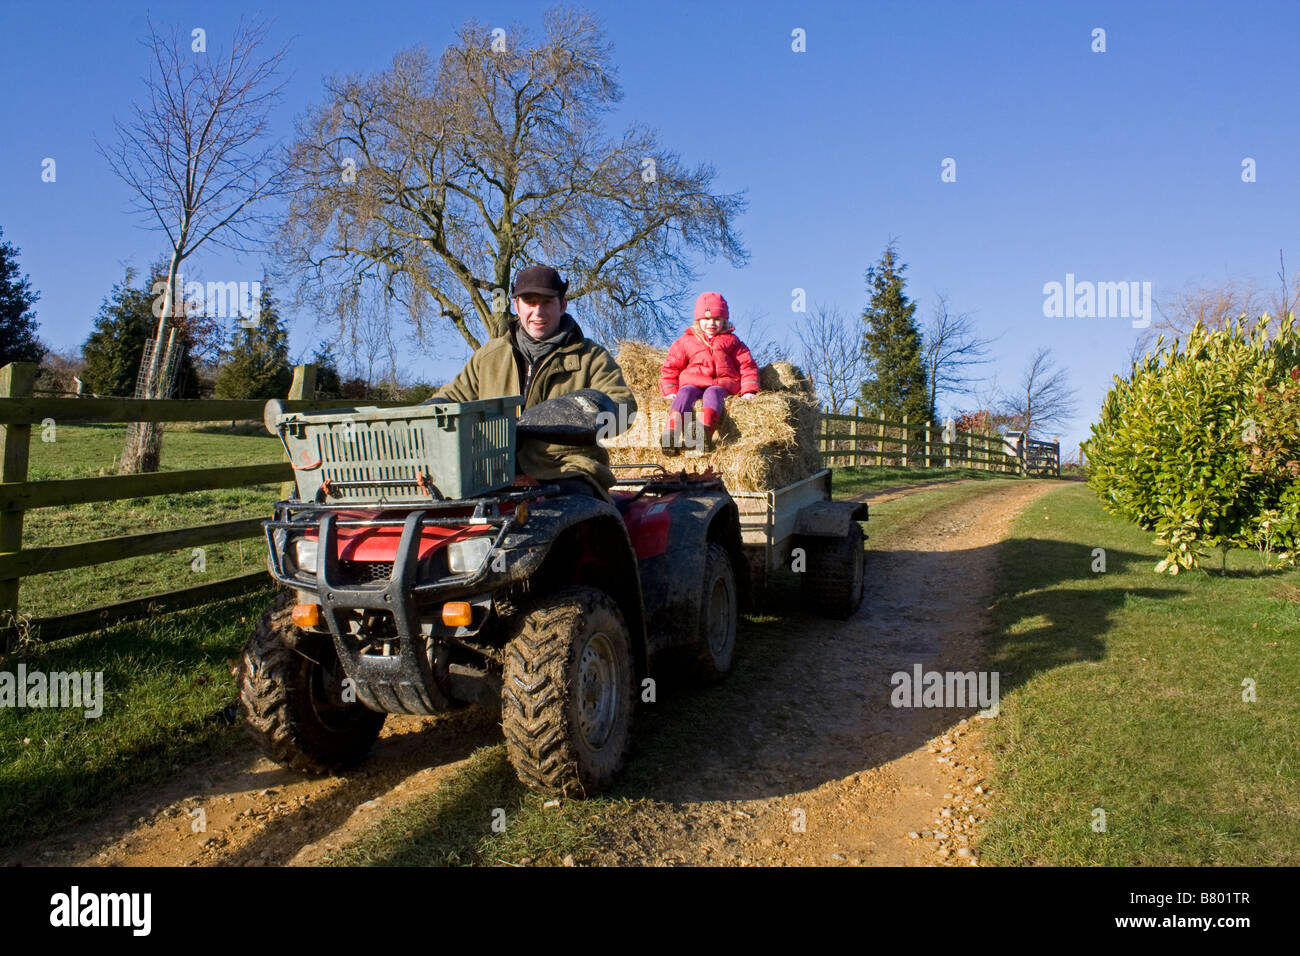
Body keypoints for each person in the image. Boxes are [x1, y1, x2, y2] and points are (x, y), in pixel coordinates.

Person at [424, 265, 635, 496]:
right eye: (529, 302)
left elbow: (624, 408)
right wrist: (425, 412)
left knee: (572, 505)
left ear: (562, 305)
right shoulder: (489, 357)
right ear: (516, 306)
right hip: (493, 473)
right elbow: (451, 399)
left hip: (565, 469)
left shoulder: (591, 357)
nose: (538, 312)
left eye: (546, 302)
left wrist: (585, 413)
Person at [658, 291, 759, 453]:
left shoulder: (732, 341)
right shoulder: (686, 341)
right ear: (698, 320)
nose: (711, 323)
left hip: (721, 384)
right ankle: (671, 433)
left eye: (717, 319)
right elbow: (671, 366)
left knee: (712, 393)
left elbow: (747, 365)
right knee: (684, 393)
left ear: (724, 320)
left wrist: (749, 390)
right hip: (694, 382)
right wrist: (670, 390)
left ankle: (703, 432)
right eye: (706, 319)